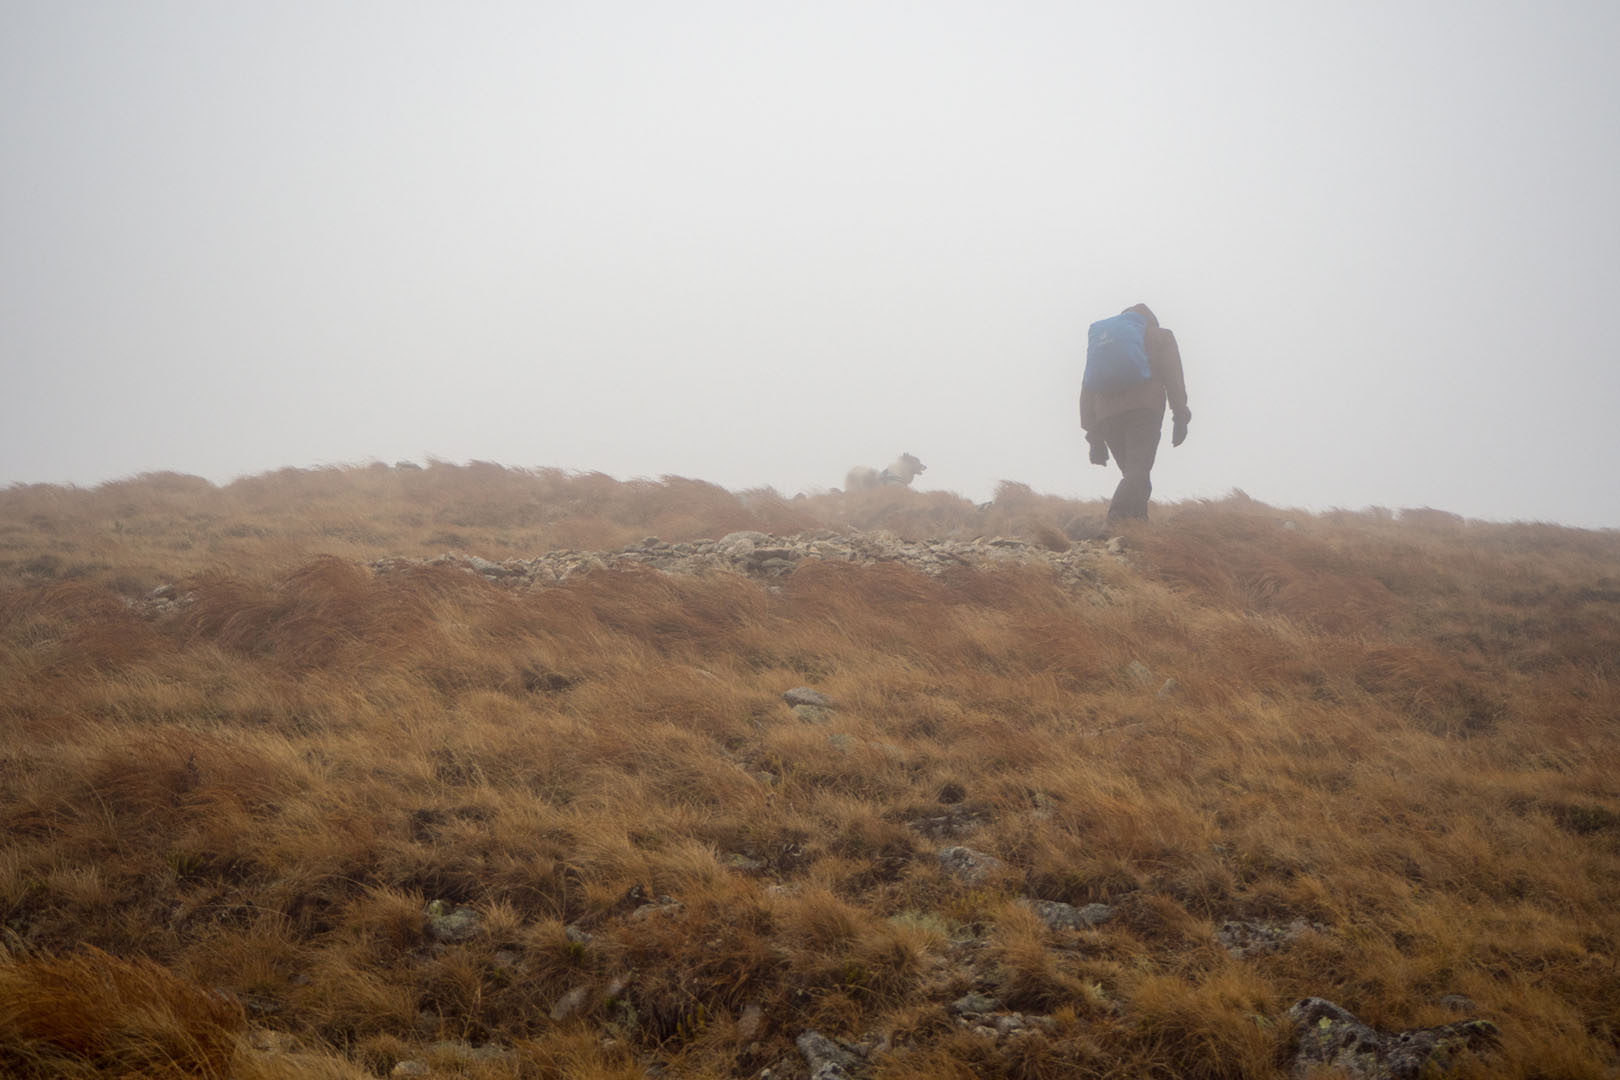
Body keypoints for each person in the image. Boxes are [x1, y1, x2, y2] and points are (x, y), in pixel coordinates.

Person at [1079, 303, 1190, 523]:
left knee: (1134, 473)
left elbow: (1087, 391)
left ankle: (1136, 528)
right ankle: (1115, 521)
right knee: (1138, 470)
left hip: (1106, 416)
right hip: (1144, 411)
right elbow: (1174, 378)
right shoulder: (1161, 336)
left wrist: (1095, 439)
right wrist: (1180, 417)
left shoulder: (1104, 343)